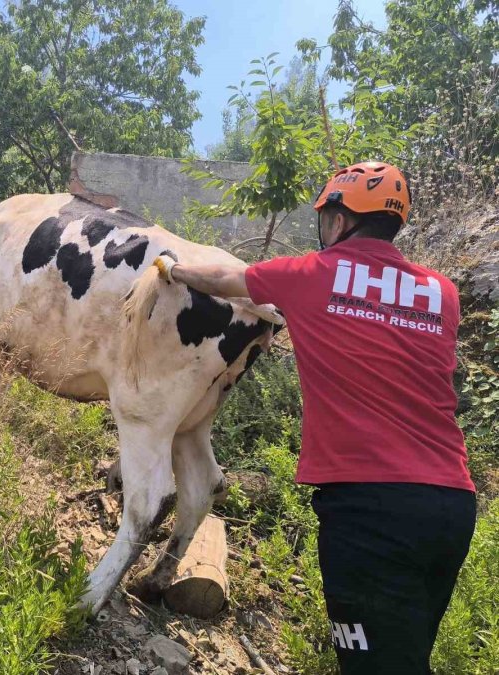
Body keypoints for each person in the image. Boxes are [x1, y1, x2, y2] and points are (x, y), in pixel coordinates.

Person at [153, 161, 475, 674]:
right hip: (451, 505)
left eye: (327, 216)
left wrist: (174, 269)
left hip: (369, 507)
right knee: (408, 657)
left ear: (342, 221)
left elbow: (227, 280)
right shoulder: (443, 293)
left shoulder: (312, 275)